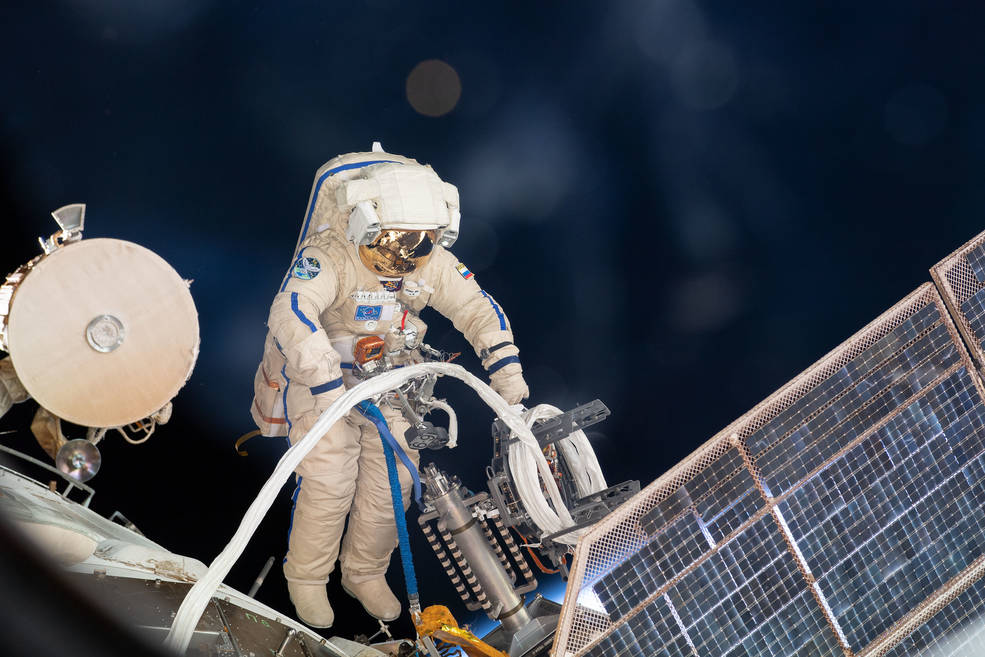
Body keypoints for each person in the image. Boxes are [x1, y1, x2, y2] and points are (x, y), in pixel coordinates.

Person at [251, 145, 529, 628]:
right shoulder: (328, 256)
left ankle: (363, 573)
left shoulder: (431, 263)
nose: (404, 255)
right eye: (393, 241)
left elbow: (479, 310)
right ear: (362, 225)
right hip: (325, 383)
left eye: (418, 244)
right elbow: (291, 311)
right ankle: (308, 578)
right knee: (331, 476)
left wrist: (506, 374)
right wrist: (323, 380)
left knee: (395, 482)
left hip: (392, 382)